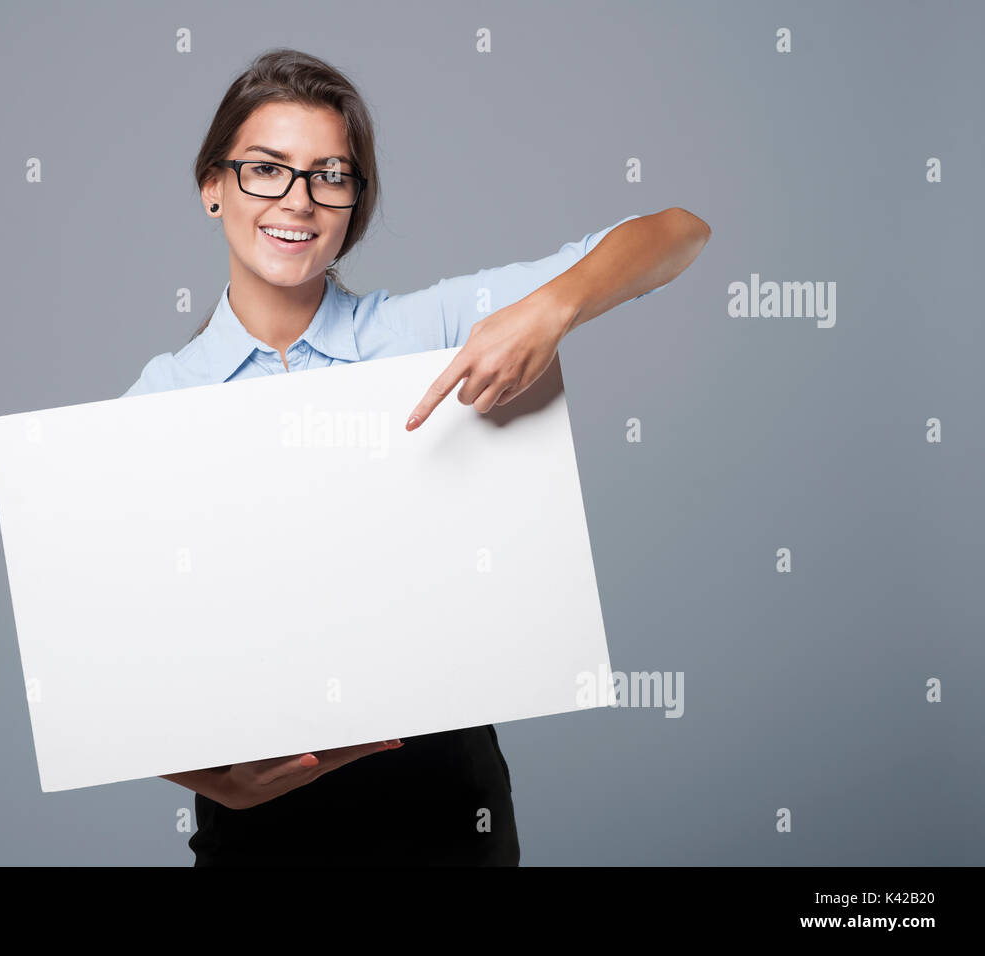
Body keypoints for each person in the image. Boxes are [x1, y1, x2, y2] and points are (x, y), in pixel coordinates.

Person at [121, 48, 710, 866]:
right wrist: (205, 778)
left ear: (353, 205)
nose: (298, 199)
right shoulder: (159, 404)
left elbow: (678, 236)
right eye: (266, 170)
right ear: (212, 186)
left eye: (330, 175)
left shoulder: (426, 333)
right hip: (262, 831)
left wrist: (548, 311)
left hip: (446, 806)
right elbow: (101, 666)